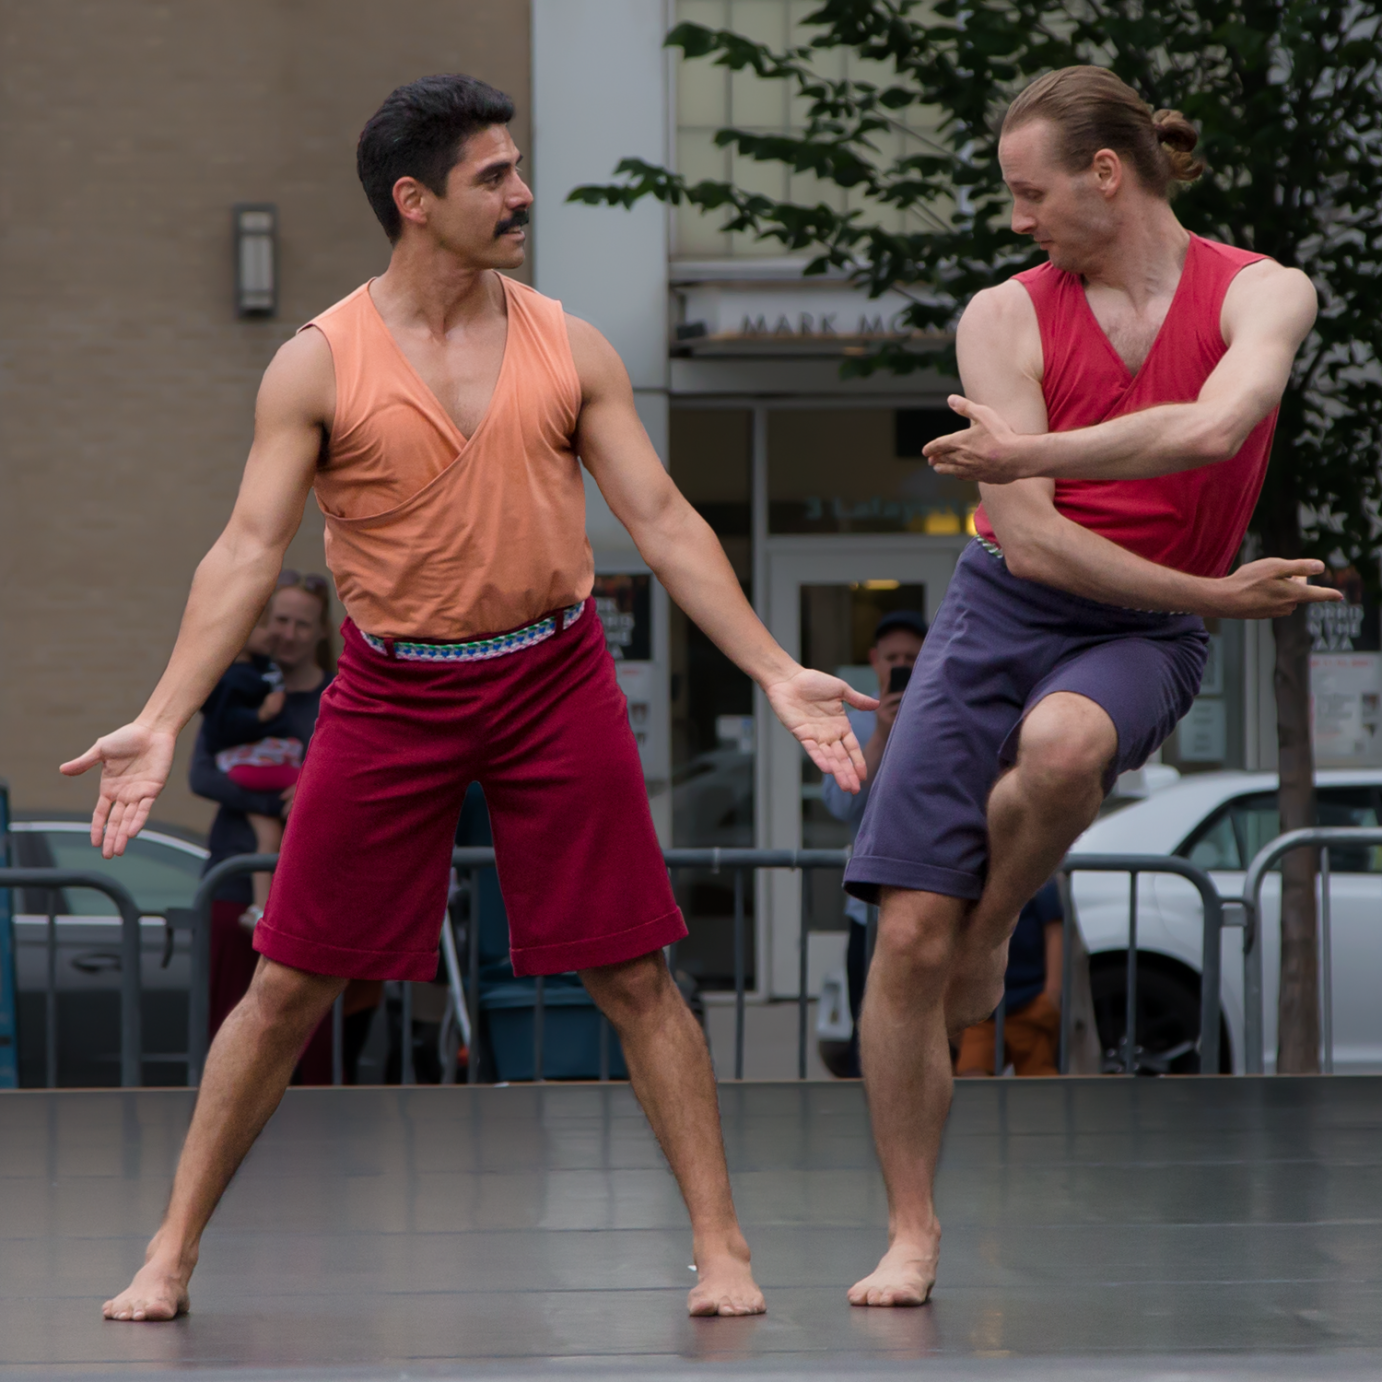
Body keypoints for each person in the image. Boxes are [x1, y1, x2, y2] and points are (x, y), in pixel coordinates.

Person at [63, 74, 872, 1322]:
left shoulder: (567, 340)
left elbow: (659, 517)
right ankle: (169, 1251)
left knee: (631, 973)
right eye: (492, 176)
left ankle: (723, 1248)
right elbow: (241, 547)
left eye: (516, 169)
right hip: (391, 690)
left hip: (553, 674)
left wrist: (772, 664)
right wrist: (165, 711)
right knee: (286, 983)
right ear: (413, 201)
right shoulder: (318, 363)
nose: (521, 194)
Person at [839, 65, 1342, 1308]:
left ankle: (1001, 918)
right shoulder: (1002, 315)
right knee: (905, 929)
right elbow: (1034, 540)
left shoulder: (1262, 288)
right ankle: (911, 1228)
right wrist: (1224, 596)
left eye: (1030, 192)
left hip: (1148, 615)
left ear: (1104, 176)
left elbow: (1216, 428)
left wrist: (1028, 451)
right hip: (1013, 600)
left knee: (1063, 750)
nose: (1017, 218)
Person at [191, 573, 357, 1084]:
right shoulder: (234, 686)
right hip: (234, 883)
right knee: (230, 1034)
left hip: (312, 886)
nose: (287, 633)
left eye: (300, 623)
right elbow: (202, 773)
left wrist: (311, 793)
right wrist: (269, 801)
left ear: (320, 631)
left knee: (307, 1038)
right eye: (279, 620)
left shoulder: (340, 695)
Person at [820, 610, 927, 1076]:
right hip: (867, 909)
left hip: (926, 902)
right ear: (875, 661)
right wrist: (882, 732)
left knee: (925, 1031)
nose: (901, 664)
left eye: (911, 657)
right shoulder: (853, 722)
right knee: (871, 1031)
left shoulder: (942, 713)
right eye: (893, 657)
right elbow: (840, 805)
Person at [200, 607, 294, 929]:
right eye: (265, 625)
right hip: (249, 765)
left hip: (256, 764)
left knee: (269, 838)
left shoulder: (257, 669)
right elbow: (220, 726)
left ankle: (262, 906)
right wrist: (261, 717)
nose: (274, 633)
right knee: (312, 782)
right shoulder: (230, 678)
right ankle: (261, 906)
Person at [954, 881, 1062, 1078]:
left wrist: (1051, 994)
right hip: (981, 1007)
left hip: (1029, 1000)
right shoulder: (974, 871)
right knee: (972, 1074)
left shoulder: (1037, 873)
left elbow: (1054, 931)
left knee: (1039, 1082)